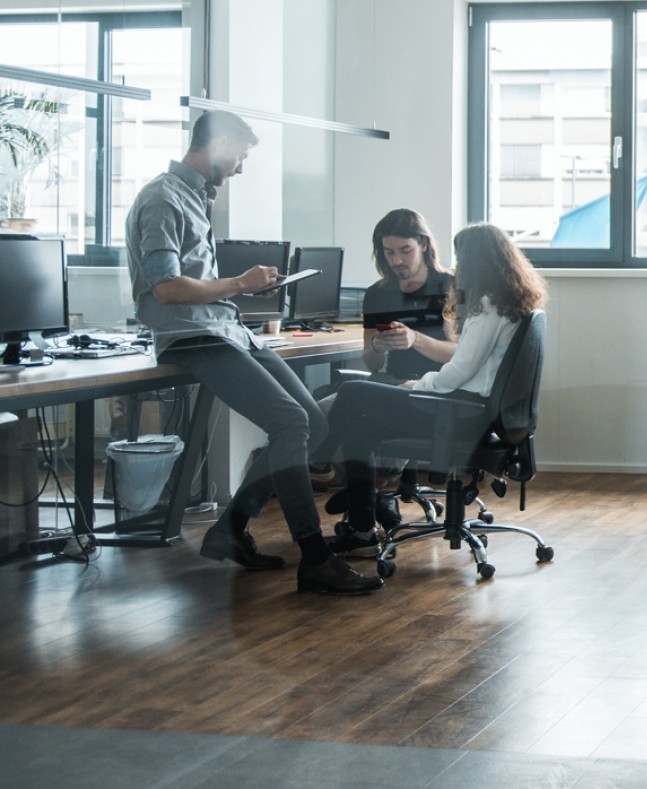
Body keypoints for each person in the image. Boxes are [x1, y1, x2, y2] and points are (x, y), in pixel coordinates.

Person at [124, 109, 382, 596]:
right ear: (219, 144)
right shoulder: (162, 199)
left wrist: (243, 292)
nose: (240, 167)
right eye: (239, 156)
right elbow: (166, 289)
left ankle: (230, 528)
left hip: (227, 329)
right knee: (290, 421)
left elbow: (197, 284)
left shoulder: (194, 197)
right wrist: (240, 283)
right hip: (192, 337)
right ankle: (314, 556)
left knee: (314, 421)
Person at [319, 223, 548, 555]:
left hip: (462, 414)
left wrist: (419, 385)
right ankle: (363, 528)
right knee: (361, 427)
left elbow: (460, 369)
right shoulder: (514, 302)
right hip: (479, 414)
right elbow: (472, 371)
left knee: (353, 391)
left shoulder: (488, 304)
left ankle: (320, 461)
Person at [362, 209, 456, 381]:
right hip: (396, 382)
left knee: (346, 395)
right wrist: (376, 347)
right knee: (333, 399)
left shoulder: (451, 287)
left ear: (423, 245)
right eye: (389, 252)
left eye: (406, 251)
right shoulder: (377, 294)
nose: (397, 261)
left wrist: (415, 339)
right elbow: (373, 365)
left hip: (437, 385)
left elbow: (459, 354)